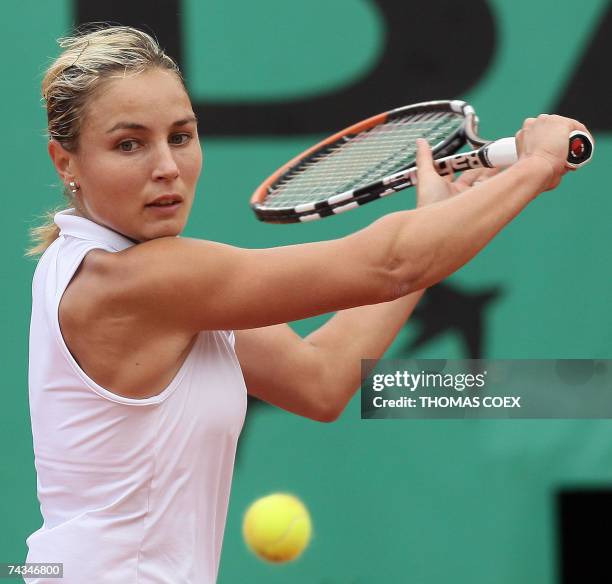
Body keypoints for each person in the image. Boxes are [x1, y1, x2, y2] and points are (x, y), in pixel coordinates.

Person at [24, 24, 590, 584]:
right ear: (65, 162)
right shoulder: (134, 281)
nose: (167, 165)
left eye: (180, 136)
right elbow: (388, 264)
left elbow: (319, 382)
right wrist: (536, 166)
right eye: (129, 144)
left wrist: (432, 218)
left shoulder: (115, 275)